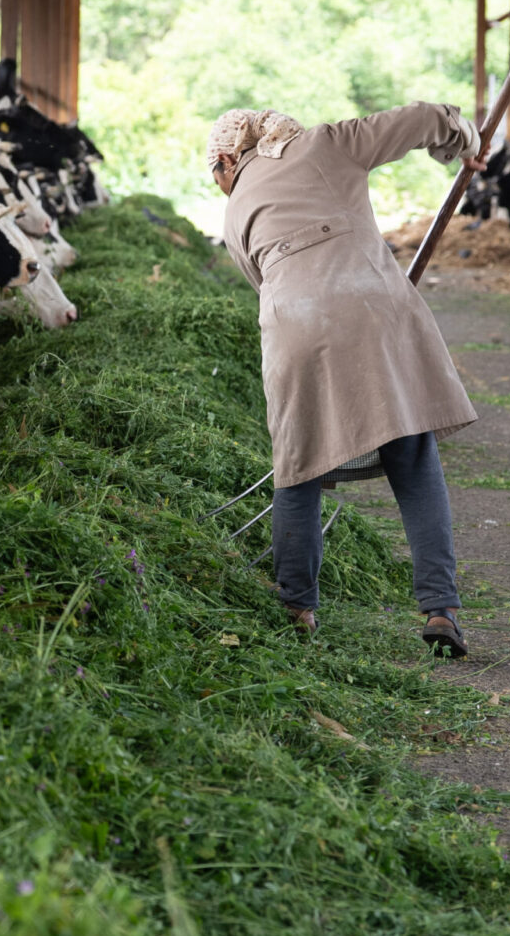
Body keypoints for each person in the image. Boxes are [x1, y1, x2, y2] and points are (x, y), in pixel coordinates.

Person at [209, 104, 487, 656]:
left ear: (226, 159)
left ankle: (297, 607)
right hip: (372, 312)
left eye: (214, 174)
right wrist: (463, 143)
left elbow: (264, 284)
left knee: (298, 467)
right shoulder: (329, 143)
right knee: (412, 455)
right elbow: (427, 116)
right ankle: (441, 609)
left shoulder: (235, 210)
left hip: (295, 329)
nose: (218, 184)